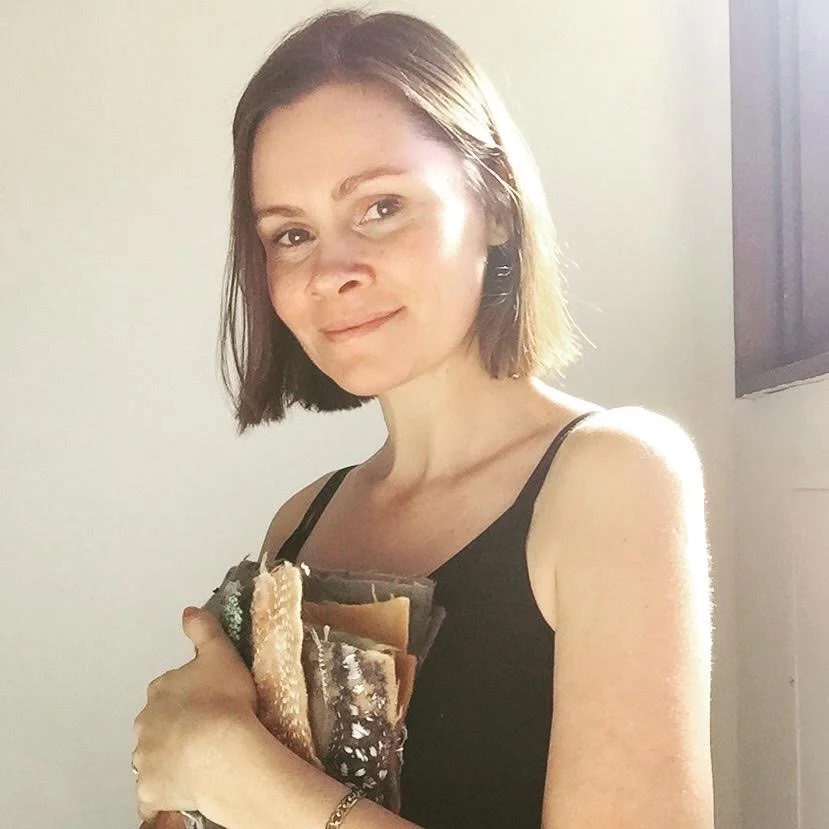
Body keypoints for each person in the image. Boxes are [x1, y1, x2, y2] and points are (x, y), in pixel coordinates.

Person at [131, 8, 715, 829]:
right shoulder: (300, 522)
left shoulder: (616, 471)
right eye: (290, 233)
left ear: (498, 206)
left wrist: (235, 770)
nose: (332, 270)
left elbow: (253, 789)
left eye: (379, 207)